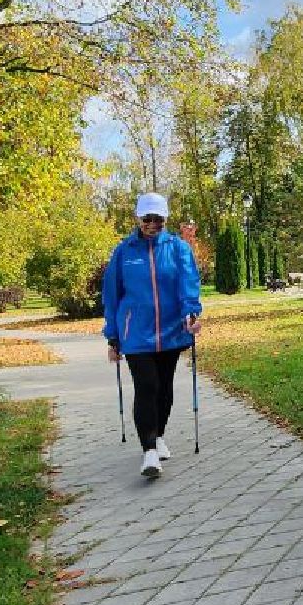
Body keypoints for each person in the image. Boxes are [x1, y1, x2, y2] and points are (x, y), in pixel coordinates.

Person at [101, 193, 203, 478]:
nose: (153, 223)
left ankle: (158, 435)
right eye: (147, 218)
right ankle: (148, 452)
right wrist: (112, 336)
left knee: (164, 389)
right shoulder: (124, 252)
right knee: (146, 386)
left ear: (165, 219)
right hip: (136, 333)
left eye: (158, 218)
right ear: (138, 218)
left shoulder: (178, 248)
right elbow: (112, 296)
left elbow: (188, 284)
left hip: (171, 330)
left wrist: (191, 313)